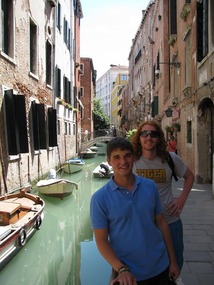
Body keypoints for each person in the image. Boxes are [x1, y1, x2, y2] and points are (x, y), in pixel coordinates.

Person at [90, 137, 180, 285]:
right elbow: (101, 240)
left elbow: (162, 223)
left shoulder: (150, 186)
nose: (123, 162)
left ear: (133, 157)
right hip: (129, 276)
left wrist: (173, 261)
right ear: (109, 161)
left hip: (161, 267)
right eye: (116, 157)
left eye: (127, 155)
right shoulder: (99, 199)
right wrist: (122, 270)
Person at [131, 121, 194, 273]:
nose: (148, 137)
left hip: (170, 221)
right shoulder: (132, 161)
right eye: (144, 134)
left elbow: (190, 176)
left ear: (159, 138)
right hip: (144, 224)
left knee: (176, 263)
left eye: (153, 134)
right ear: (139, 138)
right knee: (147, 268)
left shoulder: (170, 158)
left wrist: (181, 199)